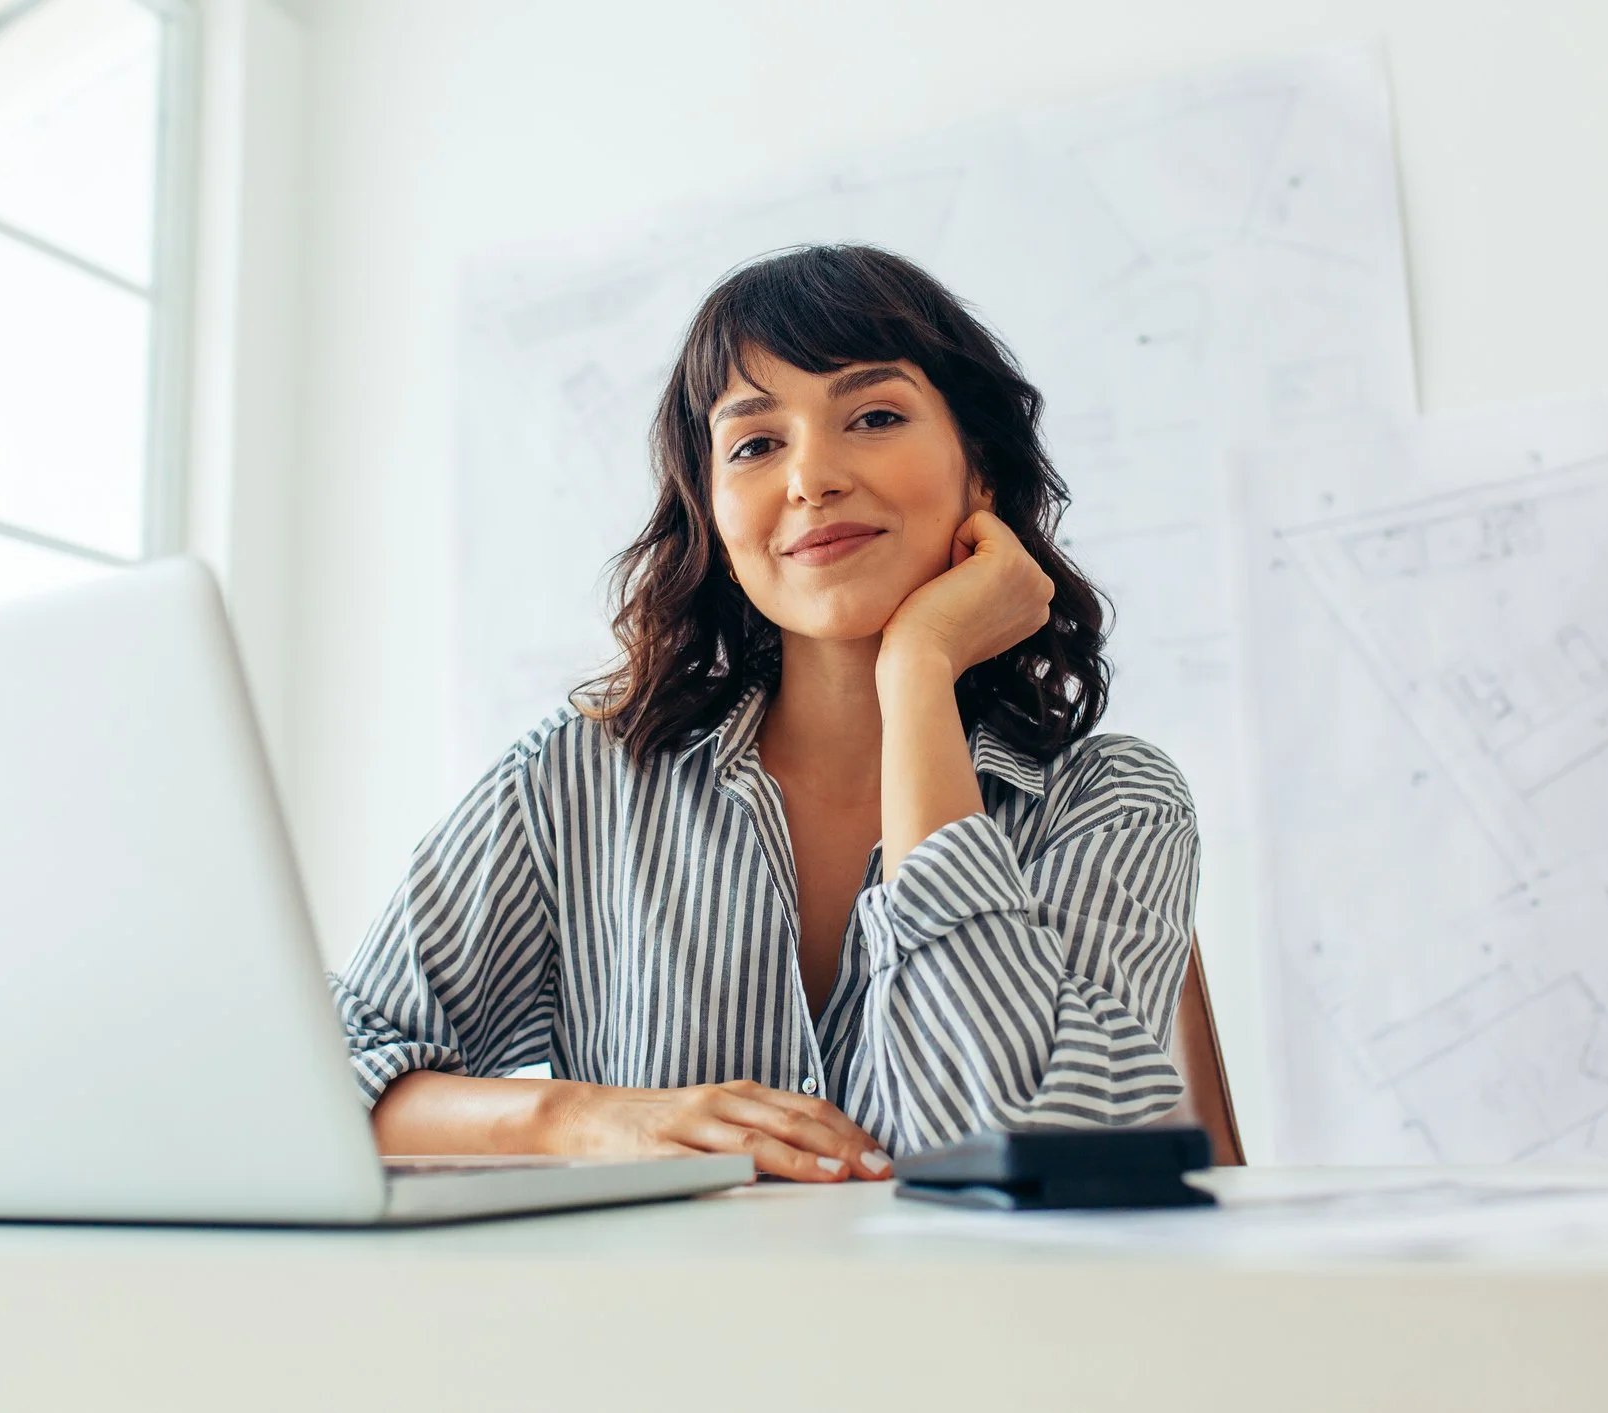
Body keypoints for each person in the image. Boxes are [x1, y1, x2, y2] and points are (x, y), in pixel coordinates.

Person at [329, 244, 1198, 1182]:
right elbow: (324, 1078)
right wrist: (574, 1117)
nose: (810, 478)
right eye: (753, 444)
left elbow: (1019, 1148)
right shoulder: (577, 777)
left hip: (981, 1326)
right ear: (711, 511)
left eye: (873, 415)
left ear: (977, 470)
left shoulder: (1116, 800)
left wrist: (918, 672)